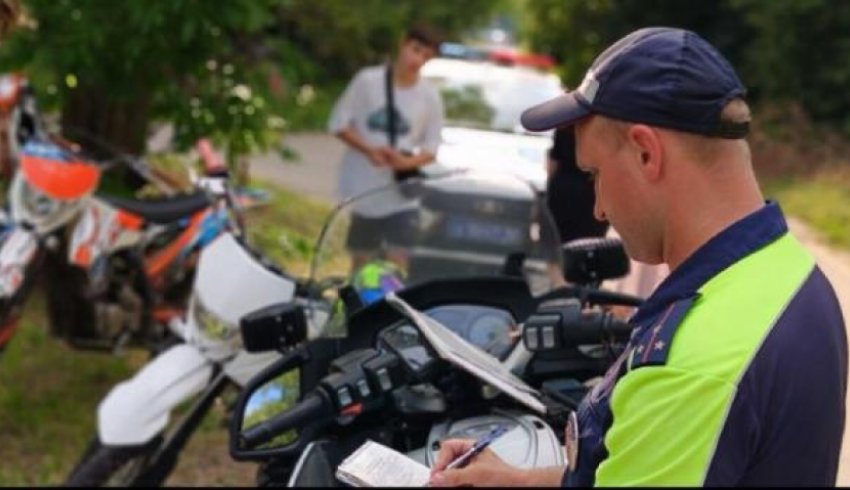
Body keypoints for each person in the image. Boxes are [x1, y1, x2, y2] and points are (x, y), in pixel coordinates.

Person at [430, 27, 847, 487]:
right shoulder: (786, 271)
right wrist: (516, 481)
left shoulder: (695, 366)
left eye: (595, 174)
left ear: (647, 153)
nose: (599, 209)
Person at [327, 23, 445, 273]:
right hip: (365, 189)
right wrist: (369, 150)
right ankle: (361, 308)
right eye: (415, 50)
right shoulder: (367, 81)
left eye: (426, 56)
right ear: (403, 44)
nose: (417, 59)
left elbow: (432, 146)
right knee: (362, 262)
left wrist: (406, 163)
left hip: (400, 193)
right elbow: (339, 123)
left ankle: (392, 308)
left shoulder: (429, 96)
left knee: (397, 260)